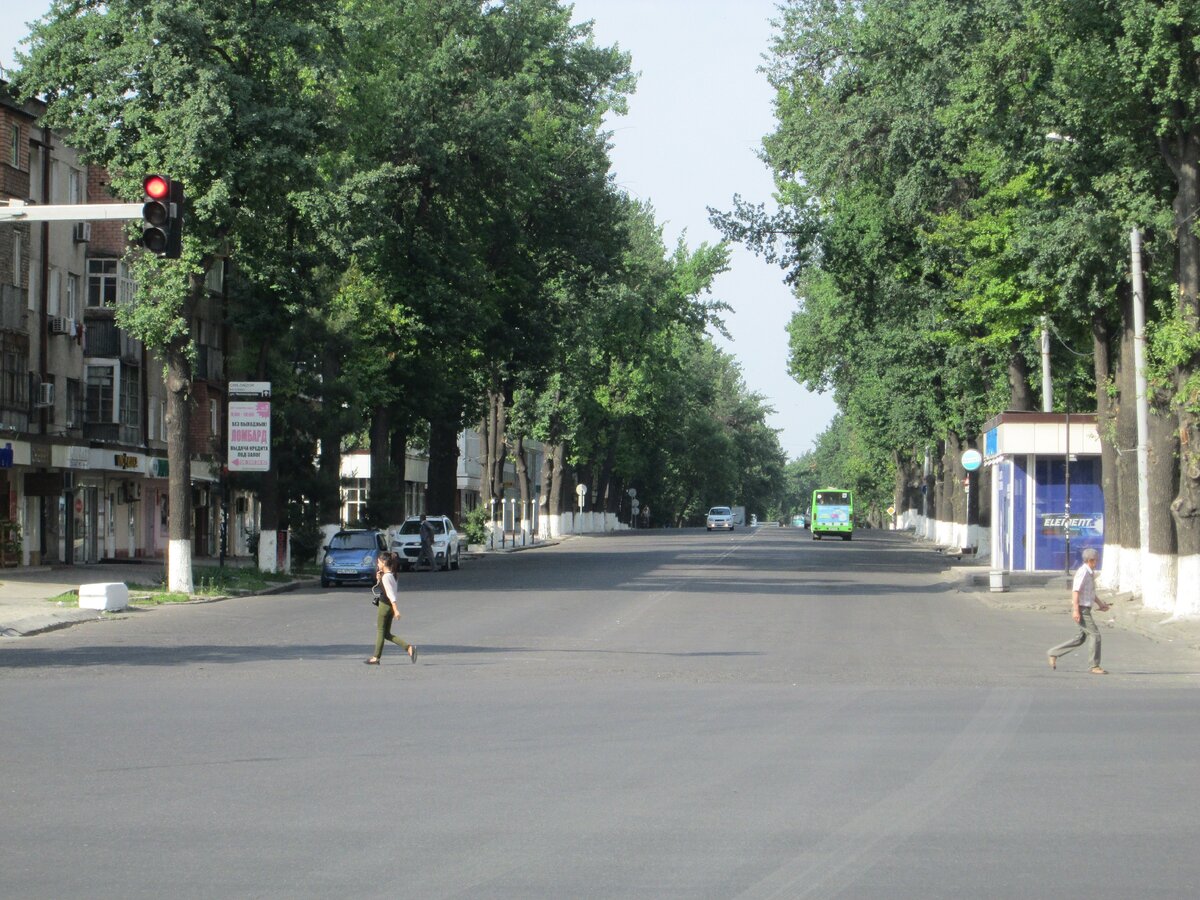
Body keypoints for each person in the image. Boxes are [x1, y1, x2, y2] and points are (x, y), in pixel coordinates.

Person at [1048, 547, 1109, 674]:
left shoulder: (1089, 572)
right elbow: (1075, 591)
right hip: (1082, 609)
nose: (1097, 562)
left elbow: (1090, 593)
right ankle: (1094, 666)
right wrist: (1076, 610)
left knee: (1081, 637)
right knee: (1095, 635)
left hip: (1085, 608)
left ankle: (1053, 653)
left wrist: (1100, 604)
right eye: (1096, 560)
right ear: (1091, 560)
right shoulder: (1083, 572)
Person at [365, 552, 417, 665]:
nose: (377, 564)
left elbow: (390, 594)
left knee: (380, 631)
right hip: (389, 607)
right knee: (387, 634)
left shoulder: (386, 577)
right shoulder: (392, 575)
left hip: (385, 606)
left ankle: (376, 657)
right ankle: (409, 648)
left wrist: (396, 608)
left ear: (384, 563)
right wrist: (379, 579)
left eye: (379, 562)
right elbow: (388, 590)